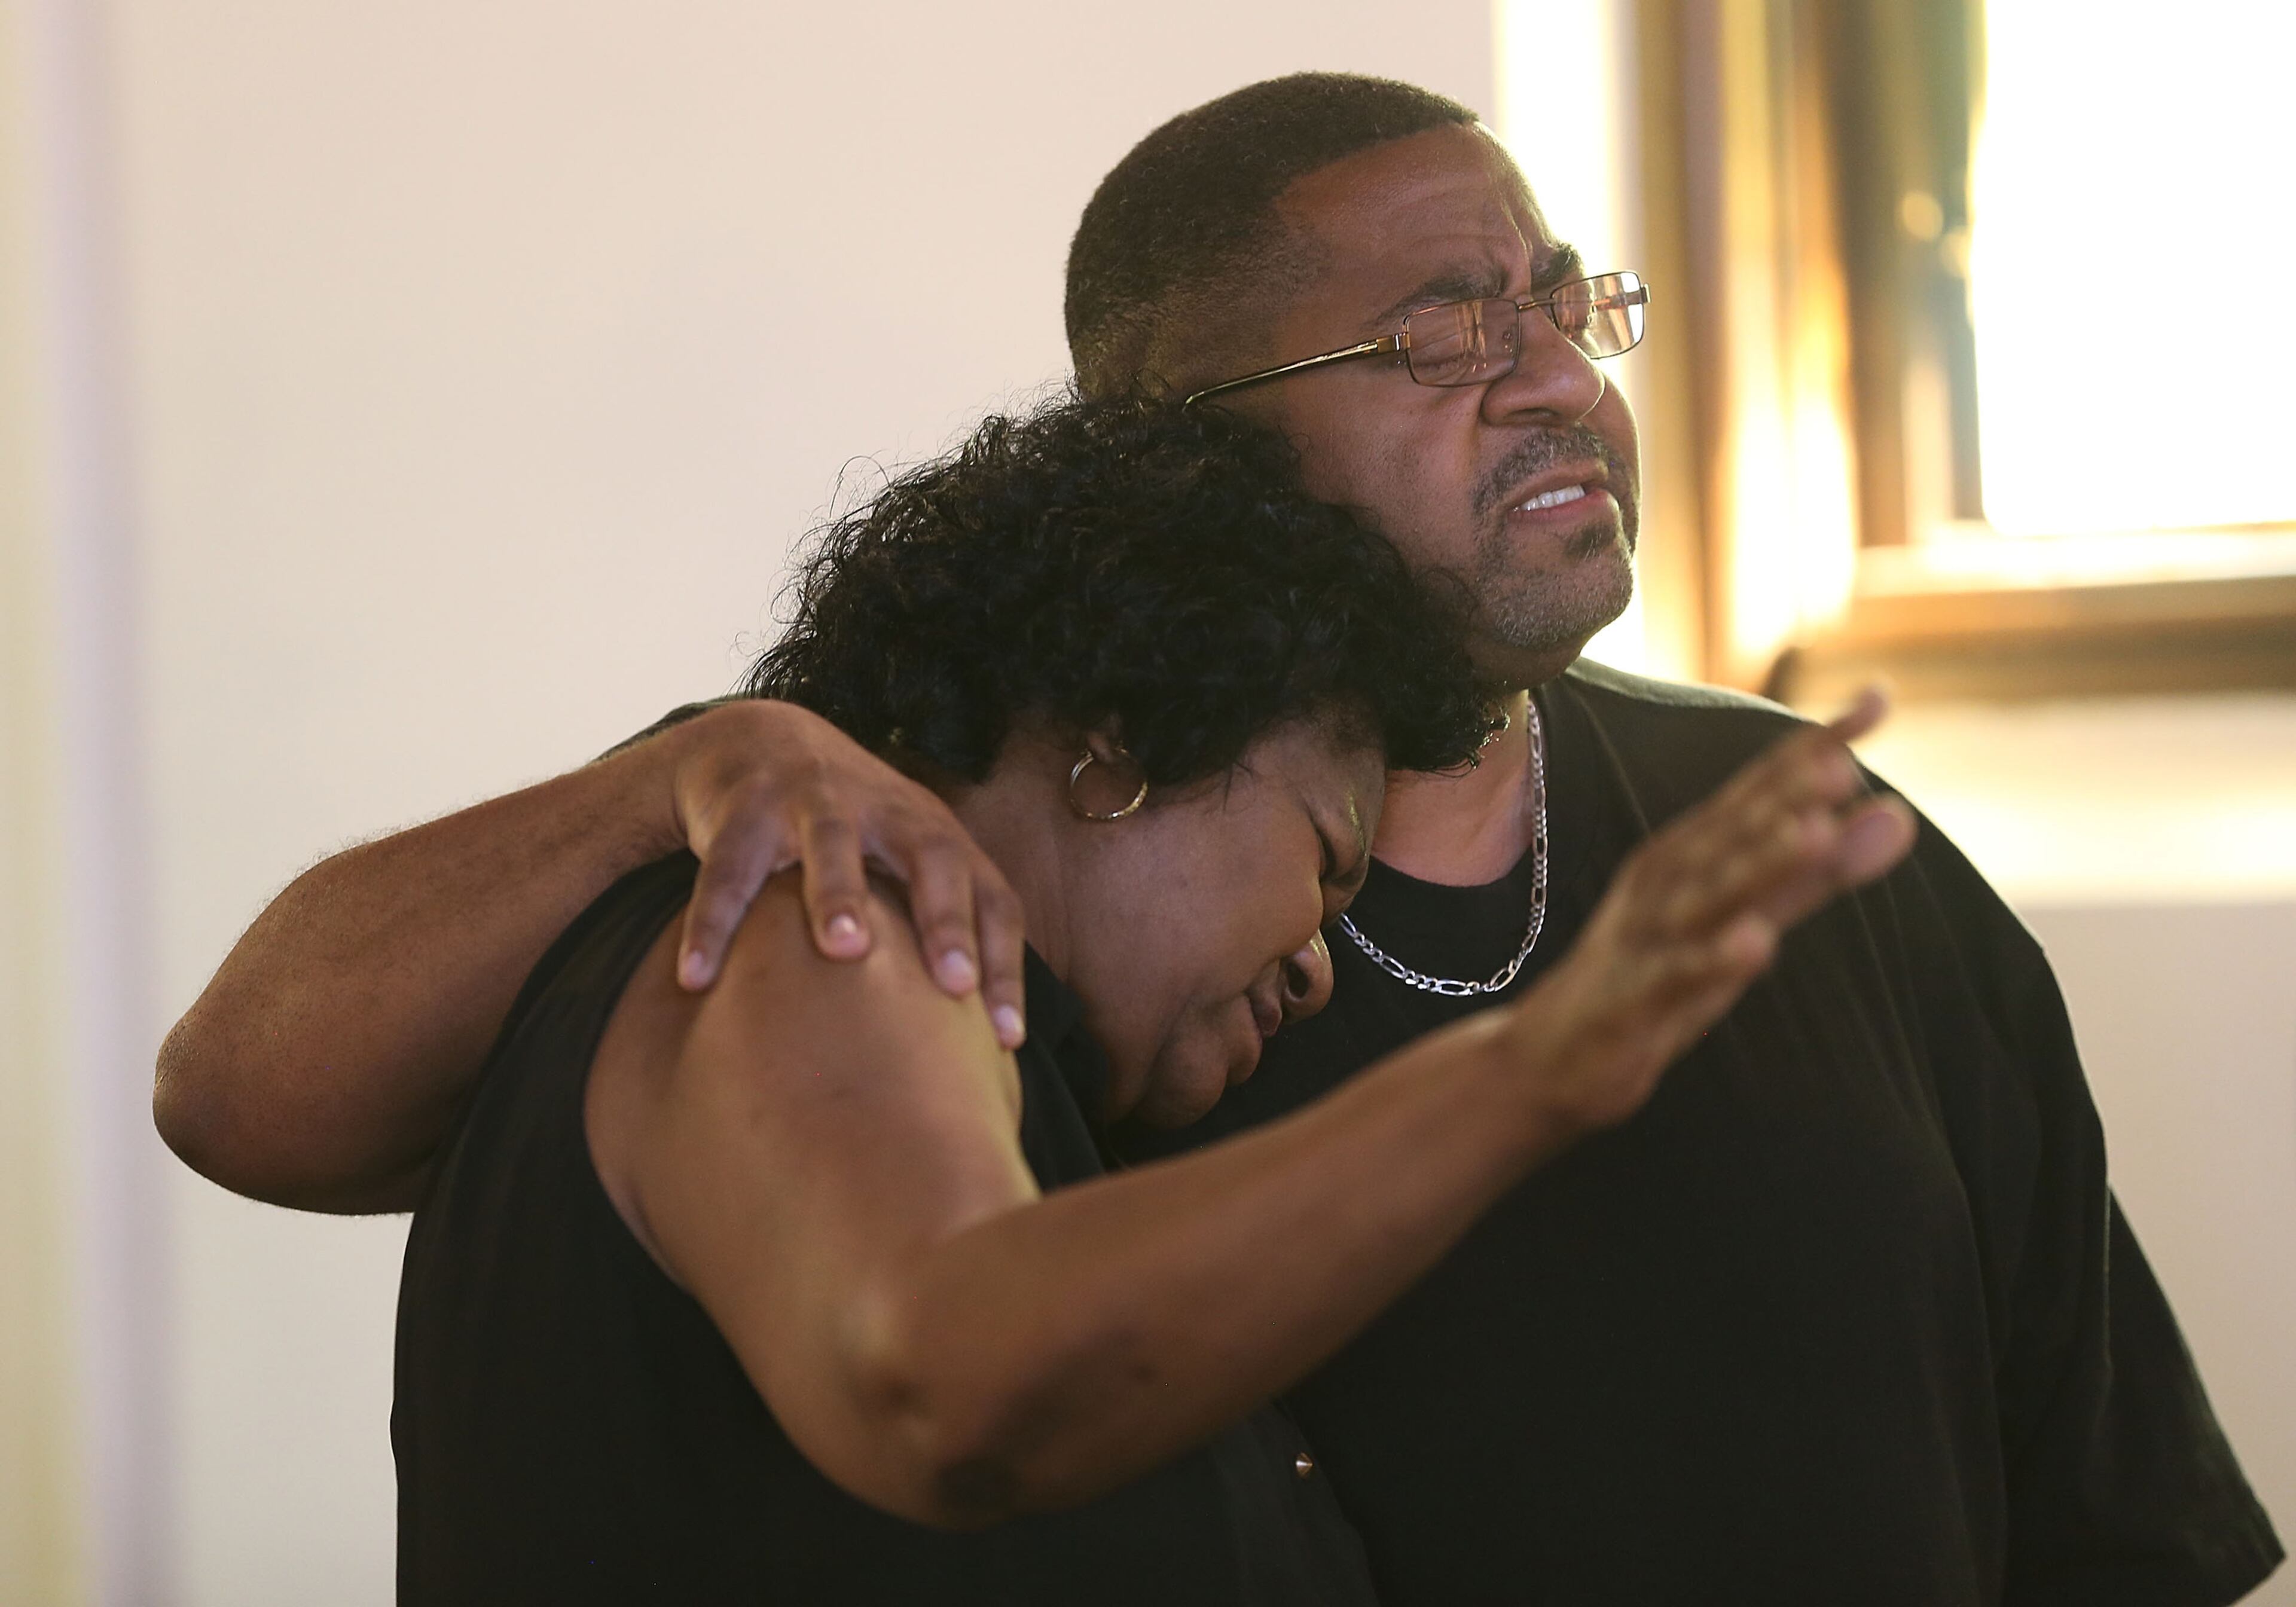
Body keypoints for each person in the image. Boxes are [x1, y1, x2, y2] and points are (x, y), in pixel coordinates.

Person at [156, 72, 2280, 1606]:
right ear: (1174, 454)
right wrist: (683, 765)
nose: (1554, 376)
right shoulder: (870, 858)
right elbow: (250, 1086)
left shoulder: (1810, 844)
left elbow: (2119, 1526)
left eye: (1568, 301)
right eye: (1446, 330)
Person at [382, 395, 1910, 1600]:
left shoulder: (985, 1051)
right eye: (1323, 861)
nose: (1317, 966)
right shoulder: (839, 923)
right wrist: (1531, 1069)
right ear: (1122, 748)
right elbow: (936, 1377)